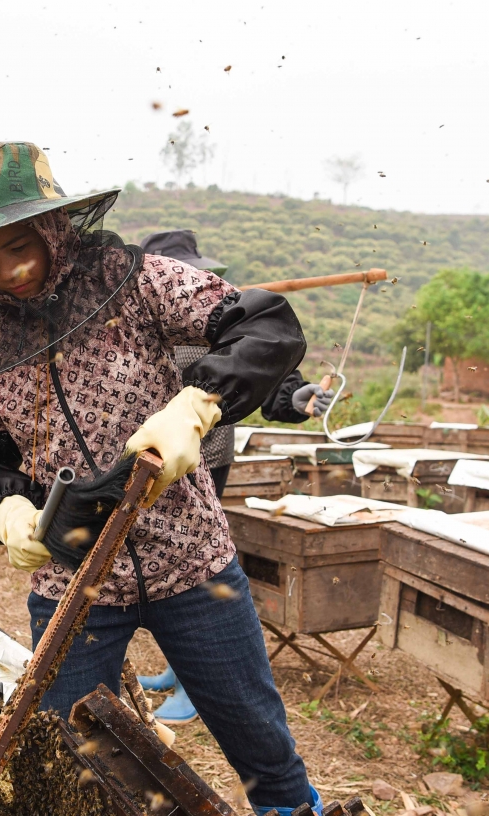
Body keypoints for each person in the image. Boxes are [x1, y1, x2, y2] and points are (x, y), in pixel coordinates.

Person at [0, 142, 321, 816]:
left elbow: (264, 326)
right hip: (71, 580)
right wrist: (7, 508)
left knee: (262, 750)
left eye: (16, 245)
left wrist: (198, 404)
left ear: (51, 226)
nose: (4, 269)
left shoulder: (136, 282)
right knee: (71, 763)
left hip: (191, 561)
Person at [134, 229, 334, 724]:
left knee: (196, 569)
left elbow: (265, 373)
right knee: (162, 574)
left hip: (208, 466)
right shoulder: (134, 323)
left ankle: (196, 687)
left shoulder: (213, 317)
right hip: (149, 465)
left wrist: (296, 396)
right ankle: (178, 669)